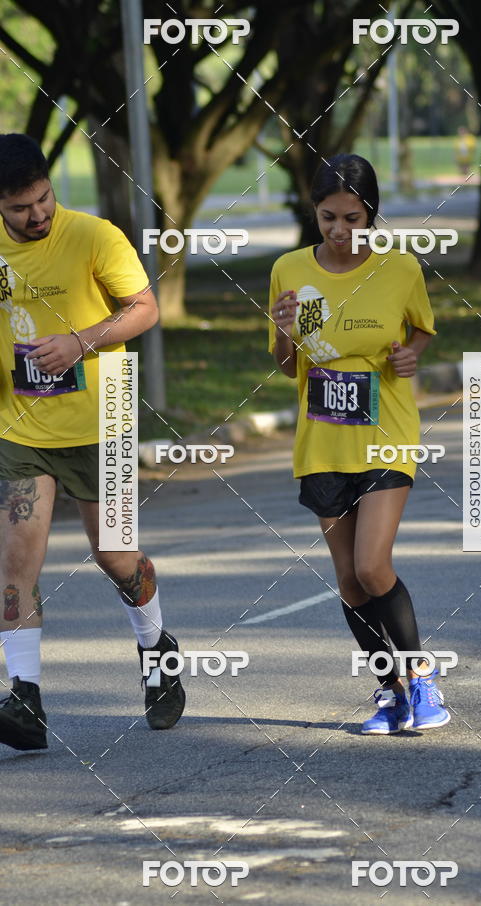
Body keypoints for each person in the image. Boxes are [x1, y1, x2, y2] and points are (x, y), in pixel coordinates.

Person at [0, 134, 185, 752]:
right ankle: (25, 699)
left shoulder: (96, 236)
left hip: (103, 421)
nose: (38, 215)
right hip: (21, 429)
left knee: (117, 559)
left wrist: (80, 341)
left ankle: (157, 650)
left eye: (43, 198)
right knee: (13, 571)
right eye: (21, 207)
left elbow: (144, 309)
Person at [268, 153, 450, 735]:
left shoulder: (401, 270)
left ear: (371, 214)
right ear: (314, 214)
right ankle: (389, 691)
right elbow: (286, 364)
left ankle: (421, 677)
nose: (340, 232)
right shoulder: (289, 269)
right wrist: (281, 327)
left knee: (373, 566)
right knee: (348, 580)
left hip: (386, 433)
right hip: (322, 441)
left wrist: (409, 355)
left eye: (352, 218)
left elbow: (420, 330)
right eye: (328, 218)